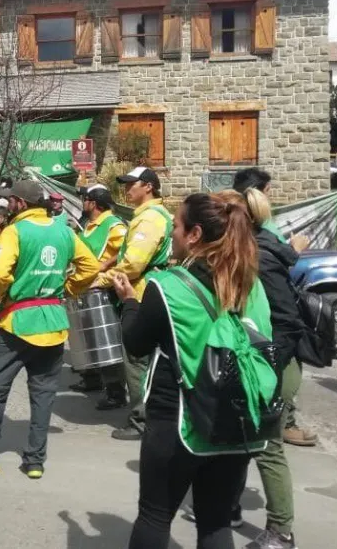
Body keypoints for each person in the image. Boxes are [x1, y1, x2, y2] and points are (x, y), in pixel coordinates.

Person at [116, 192, 275, 549]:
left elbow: (137, 344)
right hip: (238, 420)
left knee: (155, 515)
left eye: (176, 225)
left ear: (194, 234)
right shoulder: (252, 283)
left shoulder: (168, 285)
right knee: (216, 520)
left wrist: (129, 303)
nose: (171, 232)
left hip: (181, 419)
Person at [0, 179, 100, 478]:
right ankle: (34, 461)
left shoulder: (15, 231)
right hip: (53, 323)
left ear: (21, 204)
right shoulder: (64, 231)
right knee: (43, 393)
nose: (8, 204)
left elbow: (0, 270)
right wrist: (67, 288)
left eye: (11, 201)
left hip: (17, 325)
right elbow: (91, 266)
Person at [219, 188, 304, 548]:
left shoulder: (260, 259)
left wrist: (268, 366)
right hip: (260, 363)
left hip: (273, 366)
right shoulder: (241, 256)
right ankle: (230, 507)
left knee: (268, 447)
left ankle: (281, 532)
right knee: (241, 441)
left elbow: (287, 321)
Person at [232, 167, 317, 448]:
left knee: (279, 376)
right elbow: (279, 269)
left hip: (259, 321)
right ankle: (279, 427)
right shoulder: (262, 231)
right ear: (263, 194)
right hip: (274, 322)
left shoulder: (242, 233)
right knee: (281, 376)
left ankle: (280, 424)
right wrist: (294, 250)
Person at [92, 167, 173, 440]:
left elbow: (134, 264)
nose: (127, 190)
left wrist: (102, 280)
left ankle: (141, 419)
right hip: (145, 291)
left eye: (132, 184)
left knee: (137, 360)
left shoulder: (149, 219)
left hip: (139, 294)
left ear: (148, 186)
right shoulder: (148, 216)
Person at [70, 184, 128, 396]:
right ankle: (91, 379)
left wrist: (105, 265)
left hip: (103, 289)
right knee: (88, 337)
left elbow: (127, 248)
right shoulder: (89, 224)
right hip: (85, 288)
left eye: (85, 199)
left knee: (106, 340)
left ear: (93, 203)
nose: (82, 202)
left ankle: (115, 392)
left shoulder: (113, 225)